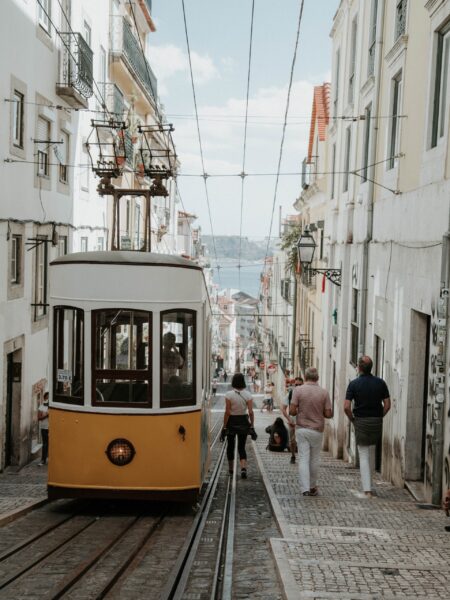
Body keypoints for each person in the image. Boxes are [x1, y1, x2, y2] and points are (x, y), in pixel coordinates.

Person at [344, 355, 391, 498]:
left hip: (361, 421)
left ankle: (367, 489)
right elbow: (387, 405)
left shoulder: (353, 384)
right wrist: (379, 416)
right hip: (376, 421)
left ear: (358, 368)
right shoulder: (381, 383)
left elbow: (346, 407)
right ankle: (370, 484)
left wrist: (353, 419)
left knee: (363, 454)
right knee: (371, 451)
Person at [290, 367, 332, 496]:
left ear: (305, 377)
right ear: (317, 378)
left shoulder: (298, 390)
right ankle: (313, 486)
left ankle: (305, 489)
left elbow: (292, 411)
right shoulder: (324, 393)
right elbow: (328, 414)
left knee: (303, 458)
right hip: (317, 430)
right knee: (314, 459)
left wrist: (300, 410)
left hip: (302, 428)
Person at [221, 372, 255, 479]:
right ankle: (243, 468)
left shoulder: (229, 395)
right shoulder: (248, 395)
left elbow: (227, 412)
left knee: (230, 446)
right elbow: (250, 412)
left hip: (231, 422)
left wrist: (224, 426)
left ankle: (231, 469)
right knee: (241, 447)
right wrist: (252, 425)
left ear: (233, 382)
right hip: (243, 422)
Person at [281, 376, 303, 463]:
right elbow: (283, 408)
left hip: (303, 420)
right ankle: (293, 455)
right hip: (292, 420)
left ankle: (302, 457)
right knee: (292, 440)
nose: (298, 386)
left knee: (302, 440)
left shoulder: (306, 395)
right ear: (294, 385)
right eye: (296, 385)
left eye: (300, 385)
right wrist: (289, 418)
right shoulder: (290, 394)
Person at [38, 391, 49, 466]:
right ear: (45, 398)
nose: (48, 398)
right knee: (45, 444)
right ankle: (43, 460)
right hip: (44, 428)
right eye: (47, 397)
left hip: (52, 428)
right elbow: (39, 418)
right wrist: (47, 415)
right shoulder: (41, 407)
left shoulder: (52, 407)